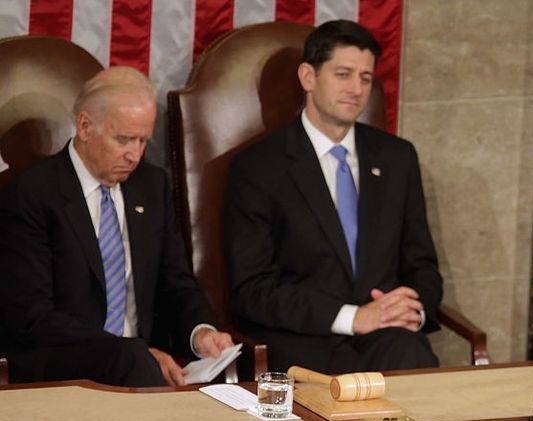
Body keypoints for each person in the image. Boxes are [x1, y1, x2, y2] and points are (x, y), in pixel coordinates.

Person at [224, 19, 443, 374]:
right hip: (304, 342)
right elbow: (253, 290)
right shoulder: (258, 167)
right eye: (343, 74)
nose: (356, 89)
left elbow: (422, 265)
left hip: (389, 339)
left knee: (412, 363)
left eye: (365, 78)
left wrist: (410, 309)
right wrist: (353, 317)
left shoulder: (397, 158)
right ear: (308, 77)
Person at [0, 67, 233, 387]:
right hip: (63, 365)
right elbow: (32, 317)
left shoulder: (151, 186)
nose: (134, 154)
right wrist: (128, 351)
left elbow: (176, 284)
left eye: (142, 141)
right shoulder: (32, 195)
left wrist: (201, 332)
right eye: (124, 139)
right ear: (85, 126)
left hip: (141, 364)